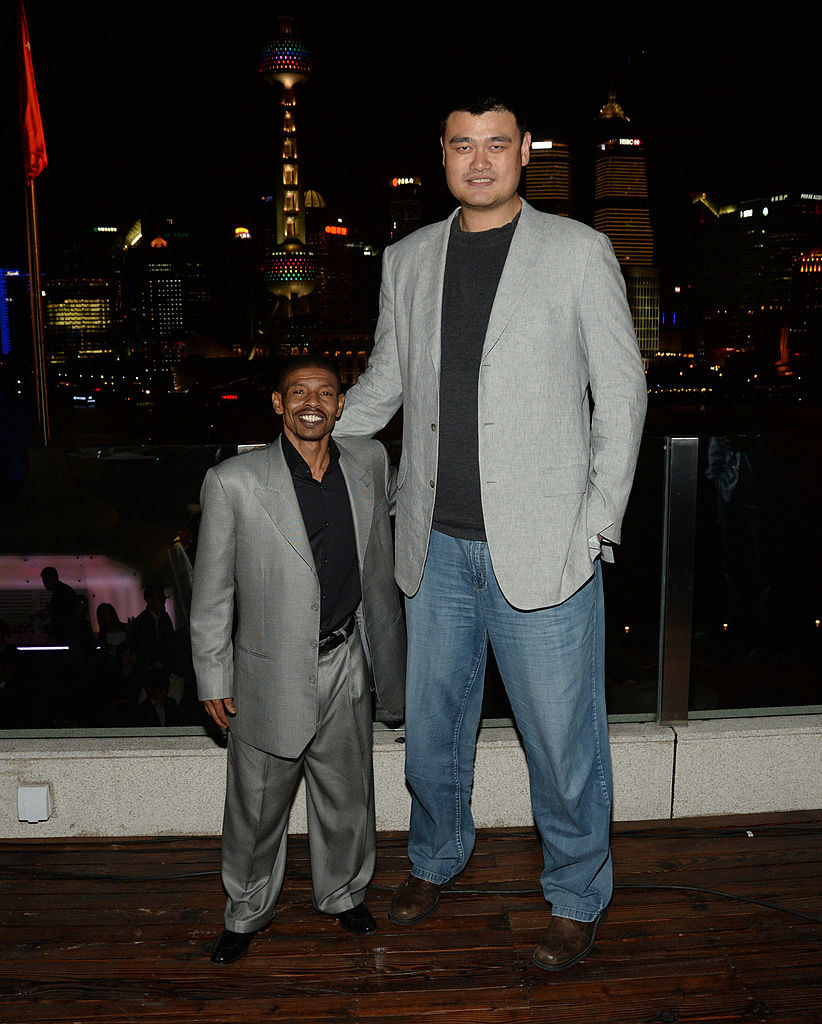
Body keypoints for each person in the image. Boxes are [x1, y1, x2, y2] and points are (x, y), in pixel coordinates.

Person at [336, 94, 647, 971]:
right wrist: (310, 441)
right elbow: (384, 384)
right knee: (432, 732)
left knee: (563, 740)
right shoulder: (406, 259)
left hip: (548, 548)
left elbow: (621, 396)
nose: (479, 161)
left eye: (496, 145)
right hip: (432, 546)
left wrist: (597, 526)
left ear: (524, 155)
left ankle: (577, 894)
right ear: (441, 155)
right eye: (462, 146)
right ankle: (434, 861)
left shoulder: (579, 252)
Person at [190, 355, 405, 967]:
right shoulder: (234, 481)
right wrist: (213, 676)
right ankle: (246, 910)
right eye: (298, 391)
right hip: (266, 671)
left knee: (348, 794)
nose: (313, 401)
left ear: (341, 405)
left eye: (326, 392)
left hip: (347, 660)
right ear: (279, 405)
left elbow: (380, 563)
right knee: (257, 806)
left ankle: (343, 893)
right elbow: (211, 594)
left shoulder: (368, 462)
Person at [40, 567, 77, 644]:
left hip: (66, 634)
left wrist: (52, 611)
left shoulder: (61, 592)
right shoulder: (64, 591)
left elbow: (65, 614)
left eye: (46, 581)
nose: (45, 584)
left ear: (53, 578)